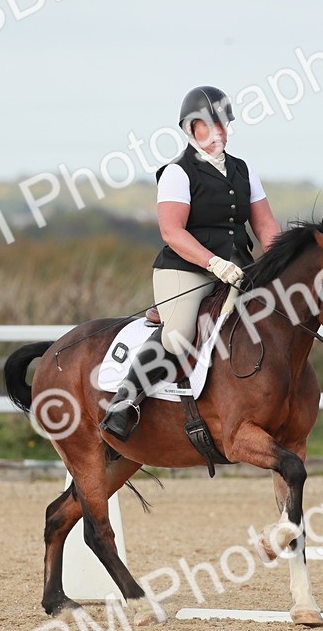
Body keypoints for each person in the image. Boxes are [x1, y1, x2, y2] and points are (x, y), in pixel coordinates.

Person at [99, 85, 282, 441]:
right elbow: (172, 232)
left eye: (222, 124)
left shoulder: (245, 171)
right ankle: (126, 399)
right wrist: (215, 264)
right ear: (189, 129)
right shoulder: (177, 173)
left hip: (239, 270)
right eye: (207, 126)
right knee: (180, 334)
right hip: (185, 270)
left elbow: (265, 226)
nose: (217, 133)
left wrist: (281, 263)